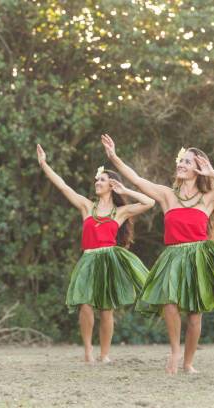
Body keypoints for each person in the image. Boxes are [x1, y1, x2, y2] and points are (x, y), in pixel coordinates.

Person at [100, 134, 214, 374]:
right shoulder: (168, 195)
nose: (181, 164)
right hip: (173, 256)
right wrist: (113, 156)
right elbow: (136, 179)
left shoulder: (208, 198)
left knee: (195, 315)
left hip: (198, 256)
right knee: (169, 303)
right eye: (182, 160)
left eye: (188, 161)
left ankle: (188, 362)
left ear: (198, 169)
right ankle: (175, 352)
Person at [37, 144, 155, 363]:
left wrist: (126, 190)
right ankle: (88, 351)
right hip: (88, 259)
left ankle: (105, 354)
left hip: (109, 260)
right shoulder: (86, 206)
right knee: (84, 303)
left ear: (111, 185)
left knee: (106, 309)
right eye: (97, 179)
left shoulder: (119, 212)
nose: (97, 182)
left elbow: (150, 202)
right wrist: (44, 163)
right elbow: (63, 186)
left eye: (101, 180)